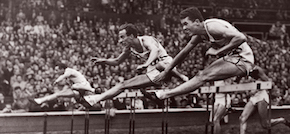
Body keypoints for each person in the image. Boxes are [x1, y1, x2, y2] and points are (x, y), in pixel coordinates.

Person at [77, 23, 188, 107]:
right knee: (124, 85)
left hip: (167, 65)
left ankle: (182, 77)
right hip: (153, 73)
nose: (120, 41)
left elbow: (154, 51)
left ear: (131, 36)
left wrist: (146, 64)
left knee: (159, 65)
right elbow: (117, 61)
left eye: (122, 37)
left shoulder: (146, 40)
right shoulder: (129, 48)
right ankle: (95, 99)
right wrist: (103, 60)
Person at [239, 66, 290, 134]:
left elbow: (269, 83)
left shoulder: (258, 70)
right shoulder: (245, 69)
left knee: (265, 125)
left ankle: (282, 120)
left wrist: (261, 87)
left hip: (261, 97)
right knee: (242, 118)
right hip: (254, 97)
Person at [31, 63, 95, 110]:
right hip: (79, 92)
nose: (56, 72)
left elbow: (63, 76)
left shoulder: (69, 71)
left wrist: (57, 81)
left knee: (74, 87)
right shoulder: (69, 78)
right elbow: (67, 86)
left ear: (62, 69)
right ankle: (40, 100)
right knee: (58, 94)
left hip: (84, 88)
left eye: (57, 70)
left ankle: (92, 91)